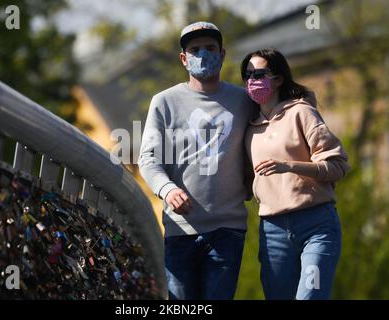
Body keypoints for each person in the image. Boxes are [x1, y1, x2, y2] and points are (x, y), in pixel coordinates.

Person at [138, 21, 255, 300]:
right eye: (195, 49)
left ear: (222, 54)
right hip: (181, 229)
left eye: (210, 48)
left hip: (229, 229)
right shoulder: (164, 102)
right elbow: (149, 159)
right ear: (183, 58)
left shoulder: (244, 100)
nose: (203, 54)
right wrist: (168, 190)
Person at [241, 48, 350, 300]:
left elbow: (338, 167)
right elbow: (246, 182)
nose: (252, 80)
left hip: (316, 225)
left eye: (259, 73)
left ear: (278, 79)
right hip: (272, 230)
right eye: (247, 75)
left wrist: (289, 166)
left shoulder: (302, 113)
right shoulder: (249, 130)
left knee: (310, 296)